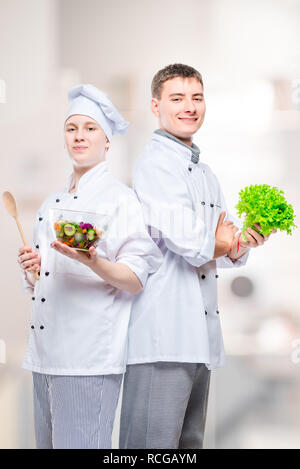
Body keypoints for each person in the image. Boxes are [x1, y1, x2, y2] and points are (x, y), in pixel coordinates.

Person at [119, 63, 277, 449]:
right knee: (151, 449)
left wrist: (243, 242)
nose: (189, 107)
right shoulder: (156, 165)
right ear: (156, 106)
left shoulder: (204, 172)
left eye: (197, 98)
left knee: (188, 446)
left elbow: (218, 247)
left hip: (197, 337)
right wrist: (219, 242)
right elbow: (191, 242)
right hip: (162, 336)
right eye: (177, 99)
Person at [17, 84, 162, 449]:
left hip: (87, 360)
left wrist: (94, 260)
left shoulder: (121, 200)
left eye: (90, 128)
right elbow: (42, 284)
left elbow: (134, 279)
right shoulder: (52, 202)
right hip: (44, 356)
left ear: (107, 140)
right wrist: (33, 269)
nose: (79, 136)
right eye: (72, 128)